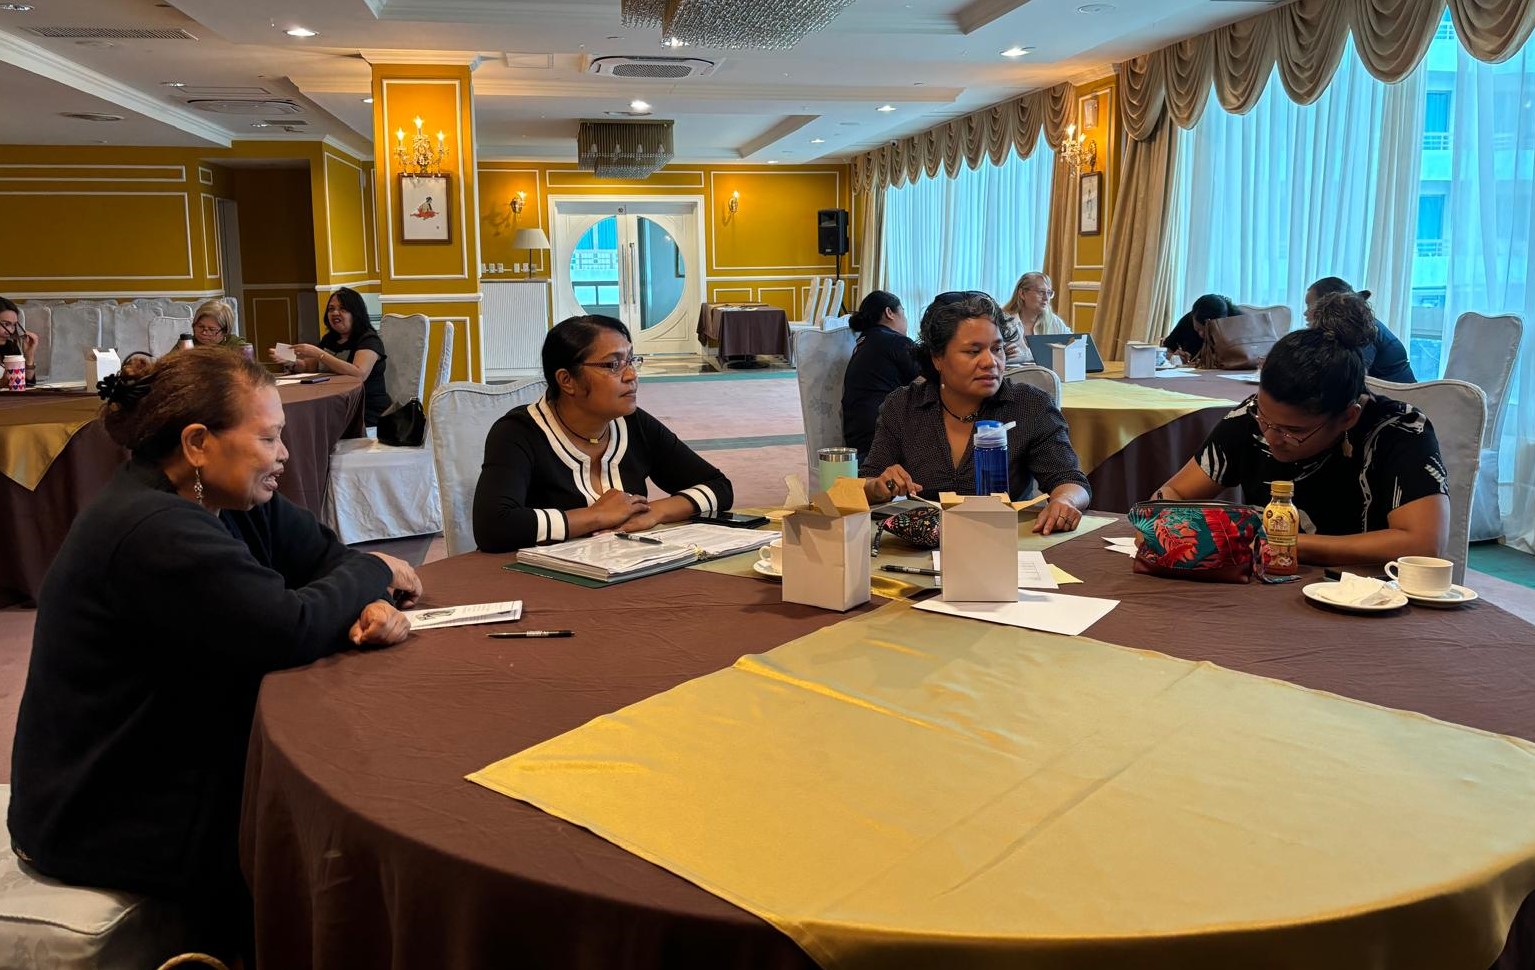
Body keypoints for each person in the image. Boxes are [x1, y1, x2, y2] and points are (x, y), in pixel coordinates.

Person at [7, 348, 421, 960]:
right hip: (100, 811)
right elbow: (288, 627)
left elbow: (323, 560)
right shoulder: (151, 528)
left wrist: (356, 591)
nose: (283, 455)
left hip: (160, 768)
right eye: (270, 438)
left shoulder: (227, 499)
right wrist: (370, 574)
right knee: (337, 846)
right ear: (198, 442)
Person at [1152, 292, 1449, 565]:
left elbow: (1423, 543)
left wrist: (1288, 544)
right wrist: (1160, 523)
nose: (1270, 437)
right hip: (1268, 587)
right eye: (1265, 419)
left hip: (1369, 595)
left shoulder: (1400, 431)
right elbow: (1174, 492)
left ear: (1348, 417)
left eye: (1292, 431)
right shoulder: (1250, 419)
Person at [474, 314, 735, 551]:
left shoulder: (632, 424)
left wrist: (655, 512)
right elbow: (493, 527)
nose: (631, 375)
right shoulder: (518, 433)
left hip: (629, 571)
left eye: (631, 360)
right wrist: (596, 515)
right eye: (613, 365)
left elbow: (719, 488)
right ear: (567, 380)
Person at [858, 293, 1092, 535]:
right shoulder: (904, 406)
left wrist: (1064, 501)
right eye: (973, 351)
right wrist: (880, 486)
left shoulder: (1029, 405)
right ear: (937, 358)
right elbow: (867, 483)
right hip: (923, 547)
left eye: (997, 349)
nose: (990, 362)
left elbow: (1070, 480)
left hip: (1004, 542)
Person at [271, 287, 389, 426]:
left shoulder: (369, 340)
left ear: (356, 313)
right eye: (331, 309)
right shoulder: (330, 339)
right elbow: (311, 366)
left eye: (342, 309)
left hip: (364, 412)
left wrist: (319, 354)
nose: (335, 313)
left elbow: (359, 373)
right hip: (335, 406)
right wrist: (292, 362)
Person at [840, 290, 917, 461]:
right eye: (903, 312)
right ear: (889, 312)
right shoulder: (895, 342)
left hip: (858, 442)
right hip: (882, 443)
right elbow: (933, 380)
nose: (906, 320)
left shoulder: (865, 341)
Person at [1305, 276, 1415, 383]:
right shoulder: (1352, 325)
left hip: (1396, 396)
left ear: (1328, 305)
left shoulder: (1360, 329)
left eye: (1310, 307)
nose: (1305, 313)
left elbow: (1355, 377)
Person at [1000, 272, 1071, 365]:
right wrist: (1000, 354)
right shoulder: (1003, 322)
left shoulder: (1054, 322)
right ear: (1022, 294)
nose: (1046, 298)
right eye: (1041, 292)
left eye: (1049, 293)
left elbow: (1072, 346)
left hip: (1045, 377)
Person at [1163, 293, 1239, 363]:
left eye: (1207, 331)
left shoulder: (1235, 322)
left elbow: (1242, 355)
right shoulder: (1188, 320)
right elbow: (1165, 350)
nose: (1201, 334)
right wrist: (1173, 357)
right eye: (1197, 329)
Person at [0, 296, 39, 386]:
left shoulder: (10, 346)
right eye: (6, 324)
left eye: (13, 325)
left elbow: (27, 386)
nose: (10, 331)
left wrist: (29, 357)